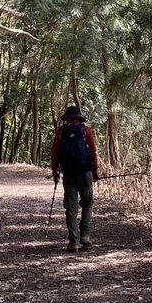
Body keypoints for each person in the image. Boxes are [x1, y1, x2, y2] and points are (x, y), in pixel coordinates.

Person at [51, 105, 100, 252]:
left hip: (69, 175)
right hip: (85, 173)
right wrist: (95, 171)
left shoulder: (61, 132)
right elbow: (92, 151)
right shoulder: (86, 130)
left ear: (67, 118)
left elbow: (55, 153)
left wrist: (55, 172)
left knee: (71, 208)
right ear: (79, 118)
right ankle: (85, 235)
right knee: (88, 204)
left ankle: (73, 242)